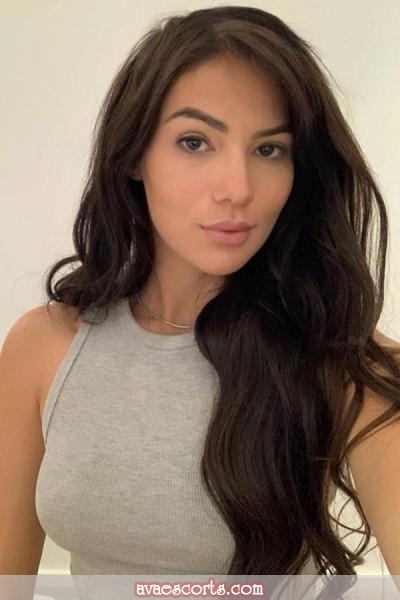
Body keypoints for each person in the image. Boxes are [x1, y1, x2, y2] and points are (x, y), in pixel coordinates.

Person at [1, 4, 400, 581]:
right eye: (195, 142)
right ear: (135, 154)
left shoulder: (346, 364)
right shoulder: (44, 346)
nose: (237, 189)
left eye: (269, 149)